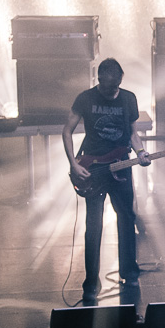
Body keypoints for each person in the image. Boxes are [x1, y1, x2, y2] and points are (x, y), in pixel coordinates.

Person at [63, 58, 149, 305]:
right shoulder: (85, 98)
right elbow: (67, 131)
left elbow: (133, 133)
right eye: (108, 88)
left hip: (121, 166)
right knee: (94, 226)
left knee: (127, 219)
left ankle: (130, 274)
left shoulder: (128, 98)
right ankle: (91, 283)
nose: (113, 92)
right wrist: (74, 164)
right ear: (99, 79)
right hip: (93, 169)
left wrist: (141, 152)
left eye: (116, 87)